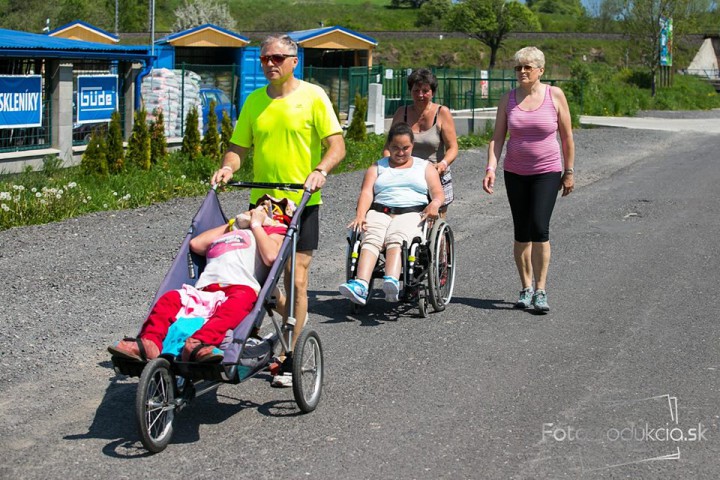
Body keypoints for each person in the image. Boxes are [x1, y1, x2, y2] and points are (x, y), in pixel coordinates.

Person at [211, 34, 345, 386]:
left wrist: (321, 169)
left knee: (297, 278)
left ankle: (290, 355)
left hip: (303, 202)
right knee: (262, 282)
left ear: (294, 61)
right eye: (265, 58)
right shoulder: (254, 101)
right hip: (263, 207)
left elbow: (337, 146)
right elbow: (238, 148)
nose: (270, 63)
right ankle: (289, 320)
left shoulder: (314, 96)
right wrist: (228, 167)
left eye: (277, 58)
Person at [108, 198, 292, 363]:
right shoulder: (233, 230)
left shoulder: (276, 231)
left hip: (240, 287)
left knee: (237, 304)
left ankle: (198, 343)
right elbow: (197, 244)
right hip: (206, 289)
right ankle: (150, 342)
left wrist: (257, 225)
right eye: (260, 205)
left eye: (271, 207)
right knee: (170, 298)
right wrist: (234, 224)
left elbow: (271, 257)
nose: (262, 207)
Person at [482, 46, 575, 313]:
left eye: (527, 67)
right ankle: (526, 288)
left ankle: (541, 290)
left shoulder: (555, 95)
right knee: (521, 231)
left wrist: (569, 171)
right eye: (518, 67)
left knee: (539, 227)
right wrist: (491, 168)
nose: (522, 71)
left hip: (547, 171)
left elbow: (567, 137)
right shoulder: (508, 99)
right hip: (515, 172)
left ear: (540, 70)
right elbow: (497, 137)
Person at [339, 122, 444, 305]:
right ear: (388, 145)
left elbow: (438, 193)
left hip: (412, 211)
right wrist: (361, 215)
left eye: (405, 148)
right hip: (380, 210)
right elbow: (366, 193)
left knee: (397, 237)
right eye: (396, 147)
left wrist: (434, 204)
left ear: (412, 146)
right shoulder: (377, 167)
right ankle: (361, 285)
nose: (400, 152)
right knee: (371, 238)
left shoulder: (424, 167)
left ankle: (392, 281)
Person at [385, 68, 458, 216]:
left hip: (435, 173)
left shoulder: (442, 113)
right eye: (416, 90)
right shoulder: (401, 113)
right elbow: (388, 147)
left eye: (425, 91)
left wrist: (443, 164)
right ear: (410, 91)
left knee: (434, 219)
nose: (420, 95)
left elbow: (453, 147)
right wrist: (389, 164)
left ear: (433, 92)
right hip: (406, 174)